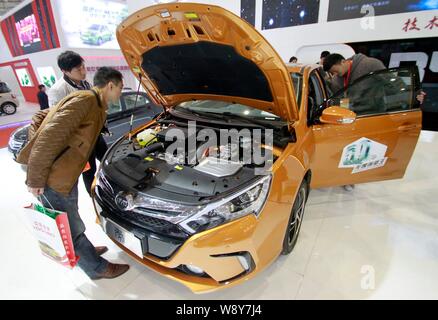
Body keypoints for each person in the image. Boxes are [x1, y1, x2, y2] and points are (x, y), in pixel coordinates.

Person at [18, 67, 129, 280]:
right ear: (110, 85)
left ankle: (85, 251)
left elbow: (46, 116)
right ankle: (97, 268)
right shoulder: (85, 101)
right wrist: (35, 178)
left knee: (72, 217)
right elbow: (48, 138)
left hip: (65, 173)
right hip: (53, 177)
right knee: (70, 225)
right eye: (121, 88)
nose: (121, 93)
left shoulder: (95, 103)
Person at [323, 53, 426, 191]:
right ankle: (349, 177)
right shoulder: (337, 80)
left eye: (335, 70)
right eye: (331, 73)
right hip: (351, 117)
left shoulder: (370, 64)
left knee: (371, 147)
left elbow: (393, 82)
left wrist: (413, 93)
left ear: (343, 61)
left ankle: (368, 172)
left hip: (372, 114)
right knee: (353, 149)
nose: (334, 74)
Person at [48, 50, 109, 196]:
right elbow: (58, 120)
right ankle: (94, 197)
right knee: (89, 171)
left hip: (95, 134)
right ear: (65, 71)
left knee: (108, 160)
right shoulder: (58, 90)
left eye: (83, 67)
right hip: (80, 141)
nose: (83, 71)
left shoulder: (85, 83)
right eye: (78, 69)